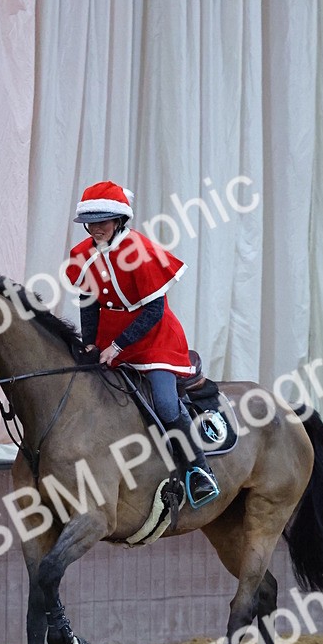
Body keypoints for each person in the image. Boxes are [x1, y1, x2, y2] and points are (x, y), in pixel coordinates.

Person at [66, 180, 220, 507]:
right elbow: (89, 304)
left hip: (154, 339)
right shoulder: (82, 255)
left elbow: (154, 310)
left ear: (120, 220)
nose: (95, 229)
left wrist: (118, 346)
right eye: (90, 223)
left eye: (103, 222)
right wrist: (91, 344)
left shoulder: (141, 252)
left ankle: (199, 470)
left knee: (165, 404)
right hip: (109, 336)